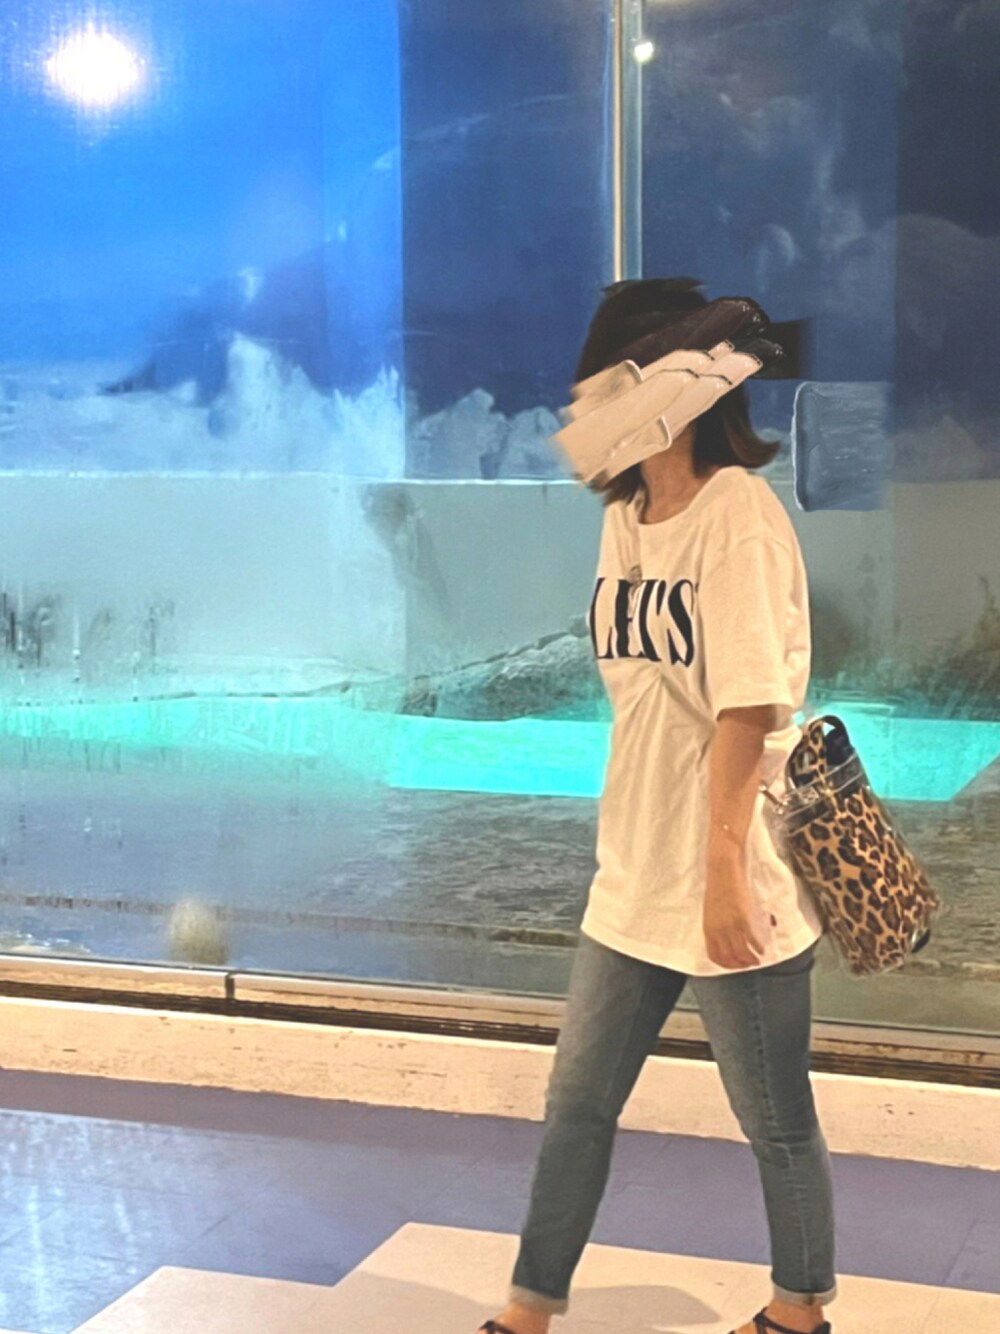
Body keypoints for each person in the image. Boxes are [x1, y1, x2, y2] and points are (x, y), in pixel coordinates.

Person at [476, 278, 836, 1334]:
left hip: (732, 870)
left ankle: (798, 1311)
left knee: (774, 1118)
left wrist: (723, 872)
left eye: (605, 387)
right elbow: (641, 695)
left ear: (673, 390)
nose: (584, 412)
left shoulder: (739, 517)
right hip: (632, 871)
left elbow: (747, 705)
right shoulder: (626, 519)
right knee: (576, 1102)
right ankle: (528, 1307)